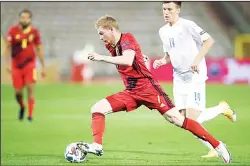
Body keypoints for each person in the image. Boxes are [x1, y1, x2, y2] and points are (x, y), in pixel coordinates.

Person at [77, 15, 232, 163]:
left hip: (148, 89)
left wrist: (101, 57)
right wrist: (139, 56)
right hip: (131, 92)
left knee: (178, 119)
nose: (100, 37)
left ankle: (218, 146)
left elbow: (128, 59)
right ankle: (97, 146)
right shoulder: (111, 45)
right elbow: (133, 56)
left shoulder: (127, 38)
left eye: (101, 33)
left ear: (111, 28)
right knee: (97, 109)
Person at [153, 1, 236, 158]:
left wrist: (197, 60)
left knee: (191, 120)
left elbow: (209, 41)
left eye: (169, 9)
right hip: (178, 77)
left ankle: (217, 140)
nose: (166, 12)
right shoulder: (162, 31)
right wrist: (162, 61)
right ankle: (219, 117)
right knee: (182, 120)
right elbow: (169, 55)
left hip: (194, 75)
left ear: (178, 10)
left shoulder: (188, 25)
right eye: (164, 9)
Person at [4, 9, 45, 122]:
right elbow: (7, 48)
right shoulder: (13, 31)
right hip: (16, 65)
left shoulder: (34, 32)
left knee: (30, 89)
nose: (24, 19)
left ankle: (30, 116)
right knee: (18, 93)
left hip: (30, 64)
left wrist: (43, 66)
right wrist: (6, 63)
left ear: (30, 19)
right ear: (19, 18)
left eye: (26, 17)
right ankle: (22, 106)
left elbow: (39, 49)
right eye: (22, 17)